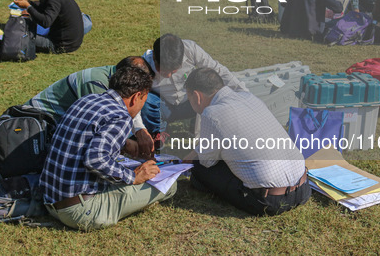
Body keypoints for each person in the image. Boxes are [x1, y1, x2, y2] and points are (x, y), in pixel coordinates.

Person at [40, 66, 175, 231]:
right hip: (80, 211)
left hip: (50, 201)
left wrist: (123, 144)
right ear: (136, 97)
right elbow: (95, 159)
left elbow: (83, 140)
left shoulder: (86, 100)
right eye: (144, 101)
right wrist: (133, 176)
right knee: (170, 185)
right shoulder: (121, 116)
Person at [184, 68, 310, 216]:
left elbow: (207, 162)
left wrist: (194, 156)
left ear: (197, 96)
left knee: (198, 167)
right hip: (303, 188)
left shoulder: (211, 114)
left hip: (270, 201)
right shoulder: (248, 97)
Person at [25, 56, 156, 156]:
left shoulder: (119, 78)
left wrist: (140, 130)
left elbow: (129, 103)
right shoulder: (97, 85)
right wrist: (127, 144)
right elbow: (98, 129)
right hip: (38, 124)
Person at [140, 34, 247, 135]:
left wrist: (244, 93)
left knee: (214, 90)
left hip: (192, 102)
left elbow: (218, 71)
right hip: (163, 105)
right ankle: (158, 131)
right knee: (145, 100)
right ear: (154, 58)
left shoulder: (191, 50)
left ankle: (199, 127)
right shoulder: (143, 65)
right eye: (163, 71)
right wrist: (139, 130)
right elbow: (132, 97)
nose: (168, 75)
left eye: (173, 71)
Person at [13, 0, 84, 53]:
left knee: (18, 37)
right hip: (73, 42)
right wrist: (28, 1)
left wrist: (28, 7)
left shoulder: (55, 0)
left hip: (60, 45)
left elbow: (46, 22)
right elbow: (43, 11)